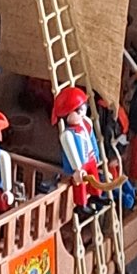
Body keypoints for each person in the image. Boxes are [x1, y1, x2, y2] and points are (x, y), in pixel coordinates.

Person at [52, 86, 109, 218]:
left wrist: (96, 153)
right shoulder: (67, 135)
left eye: (83, 107)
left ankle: (96, 195)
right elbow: (71, 152)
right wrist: (77, 168)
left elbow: (92, 139)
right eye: (78, 111)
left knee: (94, 176)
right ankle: (81, 204)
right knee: (80, 183)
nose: (82, 112)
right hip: (79, 164)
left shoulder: (86, 122)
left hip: (90, 158)